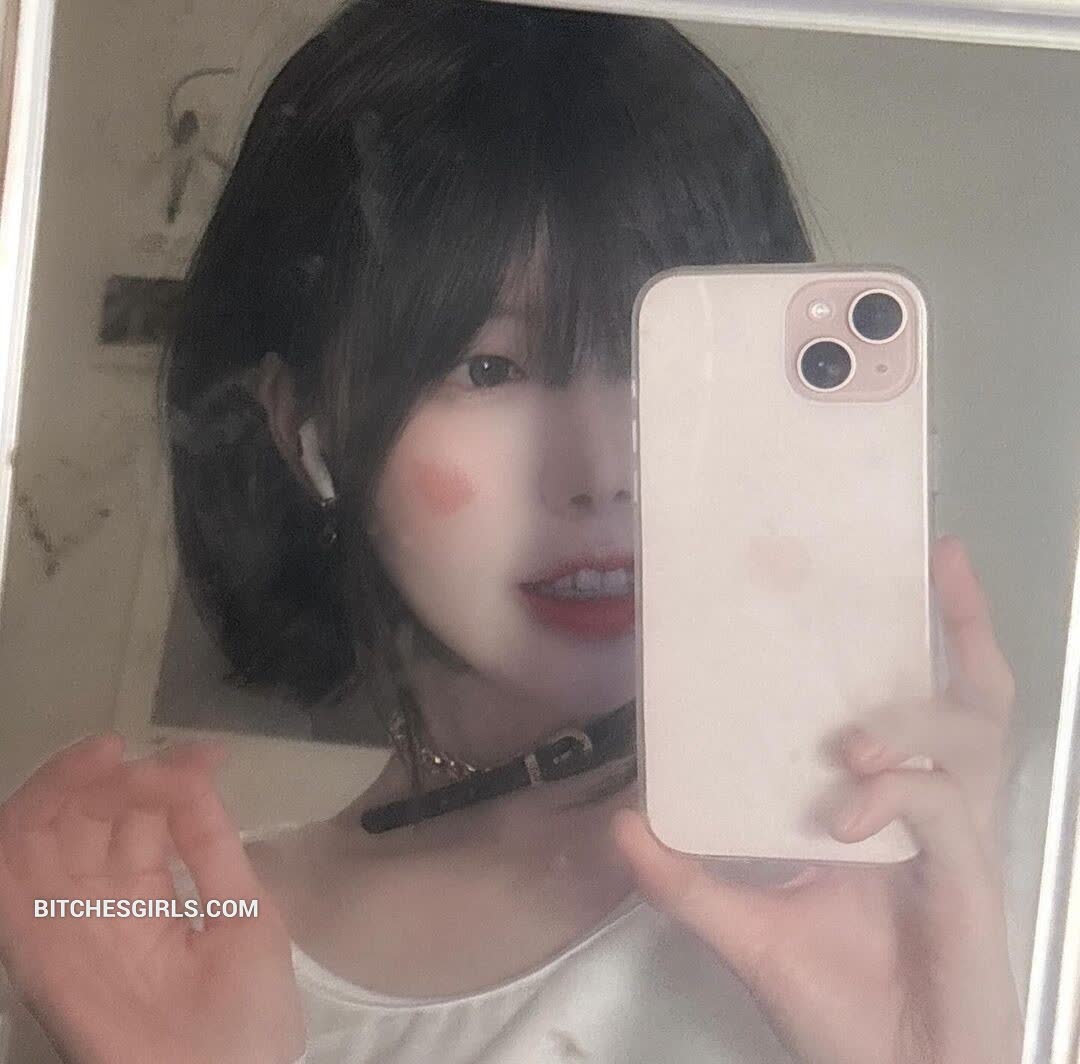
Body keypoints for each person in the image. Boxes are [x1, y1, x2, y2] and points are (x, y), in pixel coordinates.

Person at [0, 2, 1022, 1062]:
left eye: (657, 358)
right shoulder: (148, 961)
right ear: (306, 428)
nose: (602, 473)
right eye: (488, 368)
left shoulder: (933, 887)